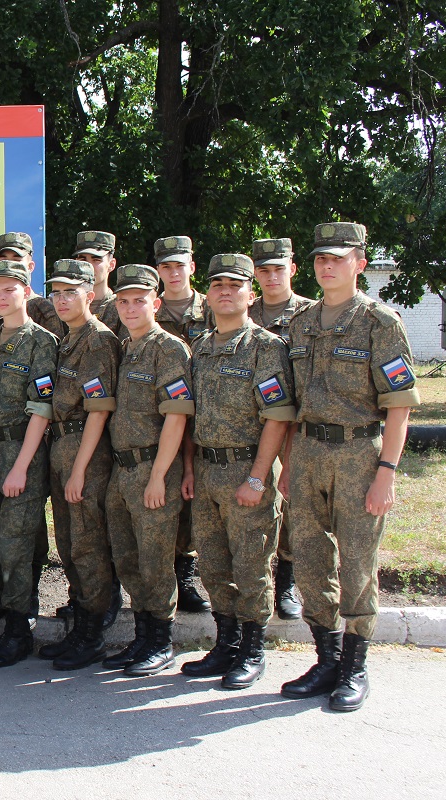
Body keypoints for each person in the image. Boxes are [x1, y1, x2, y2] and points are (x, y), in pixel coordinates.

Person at [280, 222, 420, 712]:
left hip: (360, 454)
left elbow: (399, 405)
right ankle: (327, 659)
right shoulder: (301, 322)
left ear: (360, 262)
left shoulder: (379, 322)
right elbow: (291, 403)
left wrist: (387, 471)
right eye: (320, 258)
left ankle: (355, 667)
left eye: (338, 258)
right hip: (309, 452)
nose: (327, 266)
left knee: (357, 561)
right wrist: (288, 463)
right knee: (310, 557)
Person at [181, 254, 295, 689]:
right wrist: (190, 467)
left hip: (246, 470)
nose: (225, 292)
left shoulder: (266, 347)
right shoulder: (202, 348)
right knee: (213, 563)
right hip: (207, 470)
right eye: (217, 286)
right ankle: (226, 643)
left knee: (251, 564)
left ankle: (252, 649)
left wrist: (257, 476)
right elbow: (191, 418)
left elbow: (277, 416)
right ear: (208, 295)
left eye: (234, 285)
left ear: (251, 294)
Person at [101, 264, 194, 676]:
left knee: (155, 559)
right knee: (128, 557)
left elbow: (176, 417)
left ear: (156, 303)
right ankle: (142, 636)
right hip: (123, 470)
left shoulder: (168, 349)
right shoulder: (125, 346)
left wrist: (158, 476)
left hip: (153, 468)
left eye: (139, 300)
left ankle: (161, 641)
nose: (130, 307)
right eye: (123, 301)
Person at [35, 259, 122, 671]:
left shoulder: (98, 340)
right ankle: (80, 628)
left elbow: (99, 411)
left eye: (71, 292)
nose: (62, 299)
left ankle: (92, 636)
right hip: (63, 447)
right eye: (57, 292)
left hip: (84, 453)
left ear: (90, 294)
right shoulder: (67, 338)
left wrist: (80, 469)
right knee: (69, 544)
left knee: (88, 545)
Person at [0, 260, 57, 667]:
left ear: (26, 290)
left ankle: (19, 632)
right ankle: (10, 611)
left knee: (17, 543)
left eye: (9, 290)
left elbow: (41, 409)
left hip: (22, 451)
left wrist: (22, 466)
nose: (1, 298)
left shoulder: (41, 341)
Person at [250, 237, 315, 621]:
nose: (271, 276)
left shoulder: (308, 314)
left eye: (278, 268)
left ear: (292, 269)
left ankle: (286, 579)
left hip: (297, 424)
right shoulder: (245, 308)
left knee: (289, 500)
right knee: (258, 503)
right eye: (264, 270)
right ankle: (260, 578)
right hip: (251, 423)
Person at [153, 235, 212, 614]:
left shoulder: (216, 305)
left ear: (192, 266)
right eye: (166, 266)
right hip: (156, 419)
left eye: (180, 265)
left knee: (192, 501)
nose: (173, 273)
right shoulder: (143, 308)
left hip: (208, 417)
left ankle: (185, 575)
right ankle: (161, 581)